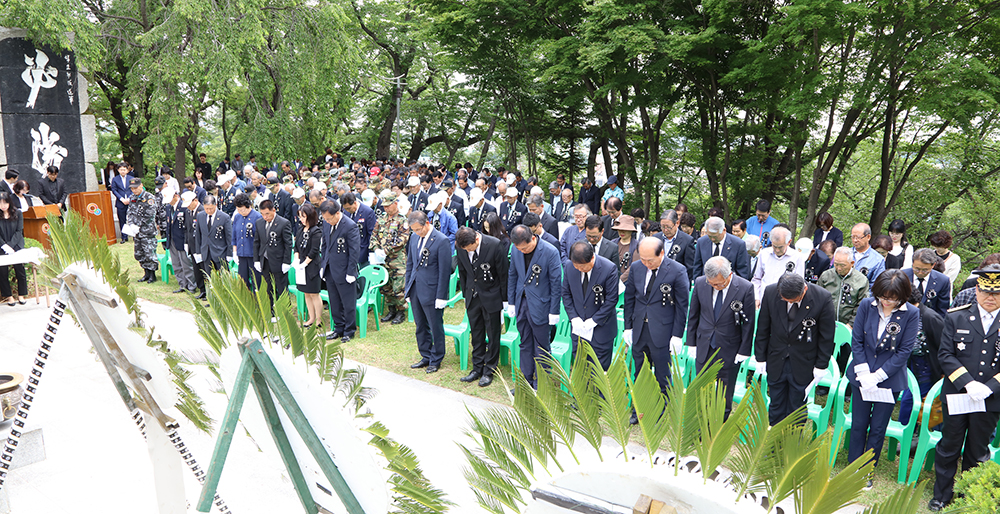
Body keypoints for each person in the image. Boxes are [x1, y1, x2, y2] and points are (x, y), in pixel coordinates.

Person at [928, 266, 1000, 511]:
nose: (990, 298)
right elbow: (946, 355)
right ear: (976, 290)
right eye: (986, 291)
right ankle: (942, 495)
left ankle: (967, 495)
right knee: (949, 446)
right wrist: (968, 383)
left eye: (997, 293)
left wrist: (989, 387)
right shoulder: (956, 316)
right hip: (958, 394)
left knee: (977, 451)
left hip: (990, 399)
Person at [844, 270, 917, 487]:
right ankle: (852, 467)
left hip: (889, 380)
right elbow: (857, 340)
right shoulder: (868, 305)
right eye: (883, 297)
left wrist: (878, 376)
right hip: (861, 375)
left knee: (877, 427)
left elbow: (904, 351)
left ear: (902, 296)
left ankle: (867, 471)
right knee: (859, 424)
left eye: (892, 299)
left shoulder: (910, 313)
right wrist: (864, 373)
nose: (886, 302)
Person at [754, 272, 835, 426]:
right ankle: (773, 442)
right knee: (776, 402)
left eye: (792, 300)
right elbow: (763, 327)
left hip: (804, 360)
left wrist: (821, 365)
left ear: (804, 290)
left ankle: (793, 443)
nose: (787, 302)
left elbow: (827, 336)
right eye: (785, 299)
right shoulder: (771, 292)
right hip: (776, 357)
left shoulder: (822, 298)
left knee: (797, 406)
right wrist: (760, 357)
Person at [686, 256, 756, 419]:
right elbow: (693, 315)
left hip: (729, 347)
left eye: (719, 284)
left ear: (729, 275)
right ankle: (699, 424)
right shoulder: (701, 283)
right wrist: (691, 343)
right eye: (712, 284)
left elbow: (748, 323)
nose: (715, 287)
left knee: (725, 391)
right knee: (701, 387)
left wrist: (744, 350)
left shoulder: (745, 288)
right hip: (704, 344)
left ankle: (719, 425)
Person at [623, 238, 690, 407]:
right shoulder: (637, 267)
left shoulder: (677, 270)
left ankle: (663, 409)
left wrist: (677, 335)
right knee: (639, 373)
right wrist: (627, 327)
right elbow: (629, 298)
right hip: (639, 329)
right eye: (643, 259)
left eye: (650, 260)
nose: (646, 264)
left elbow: (682, 306)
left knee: (662, 375)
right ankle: (639, 409)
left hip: (662, 331)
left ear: (661, 253)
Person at [506, 225, 562, 388]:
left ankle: (542, 384)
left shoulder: (550, 251)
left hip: (541, 305)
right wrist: (511, 302)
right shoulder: (516, 249)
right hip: (521, 303)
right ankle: (526, 382)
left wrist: (554, 311)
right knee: (524, 343)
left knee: (541, 346)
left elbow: (556, 283)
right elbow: (512, 275)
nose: (522, 251)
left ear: (533, 238)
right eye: (519, 248)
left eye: (525, 248)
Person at [455, 227, 508, 386]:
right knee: (476, 334)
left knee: (493, 334)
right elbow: (463, 272)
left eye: (470, 248)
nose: (467, 251)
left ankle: (489, 369)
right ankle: (477, 368)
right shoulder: (461, 246)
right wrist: (466, 295)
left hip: (491, 295)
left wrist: (504, 300)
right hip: (473, 296)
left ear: (476, 239)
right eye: (465, 249)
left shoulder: (494, 245)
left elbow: (503, 274)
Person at [405, 211, 453, 373]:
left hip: (432, 290)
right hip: (416, 288)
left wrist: (441, 296)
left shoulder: (441, 240)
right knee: (420, 325)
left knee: (435, 325)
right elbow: (410, 264)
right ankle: (425, 355)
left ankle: (436, 357)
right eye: (414, 230)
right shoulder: (413, 238)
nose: (417, 233)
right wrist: (408, 289)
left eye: (419, 229)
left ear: (427, 223)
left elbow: (444, 271)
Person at [562, 240, 619, 369]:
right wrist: (573, 317)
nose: (579, 269)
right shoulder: (569, 266)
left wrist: (594, 320)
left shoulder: (608, 268)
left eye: (583, 267)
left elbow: (611, 300)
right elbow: (566, 293)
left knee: (599, 370)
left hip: (601, 329)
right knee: (580, 366)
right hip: (579, 328)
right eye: (577, 267)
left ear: (592, 257)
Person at [897, 286, 944, 426]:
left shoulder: (930, 318)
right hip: (911, 364)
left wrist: (942, 373)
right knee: (908, 400)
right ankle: (907, 434)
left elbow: (944, 346)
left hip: (928, 366)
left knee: (913, 402)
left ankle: (911, 435)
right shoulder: (904, 314)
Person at [819, 247, 870, 372]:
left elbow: (862, 305)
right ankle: (825, 382)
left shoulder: (861, 280)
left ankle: (845, 382)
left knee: (846, 356)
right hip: (827, 324)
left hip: (849, 325)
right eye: (836, 264)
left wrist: (850, 324)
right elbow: (817, 298)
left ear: (852, 263)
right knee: (826, 355)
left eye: (842, 265)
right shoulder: (826, 276)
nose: (839, 268)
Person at [319, 199, 360, 342]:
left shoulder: (350, 226)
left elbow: (354, 252)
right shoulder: (326, 223)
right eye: (325, 218)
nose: (328, 221)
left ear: (338, 213)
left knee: (348, 303)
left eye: (330, 218)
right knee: (334, 301)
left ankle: (349, 330)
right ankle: (338, 328)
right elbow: (324, 245)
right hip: (330, 269)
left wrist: (350, 272)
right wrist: (323, 265)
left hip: (345, 270)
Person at [371, 191, 410, 325]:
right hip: (382, 260)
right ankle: (391, 309)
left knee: (398, 286)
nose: (386, 208)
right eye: (385, 206)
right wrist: (376, 248)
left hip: (397, 259)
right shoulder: (381, 219)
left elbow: (402, 239)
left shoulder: (402, 220)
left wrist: (386, 250)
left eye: (389, 205)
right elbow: (374, 236)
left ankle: (401, 312)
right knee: (386, 286)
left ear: (395, 203)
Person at [253, 200, 294, 317]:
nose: (265, 217)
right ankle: (270, 311)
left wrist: (286, 262)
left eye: (267, 214)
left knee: (281, 287)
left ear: (273, 210)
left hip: (278, 260)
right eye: (262, 214)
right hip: (264, 260)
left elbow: (288, 244)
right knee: (267, 287)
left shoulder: (283, 223)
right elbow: (257, 242)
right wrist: (256, 259)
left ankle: (285, 312)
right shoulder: (259, 222)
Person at [752, 226, 805, 306]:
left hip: (786, 302)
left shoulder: (797, 257)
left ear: (789, 242)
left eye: (780, 247)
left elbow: (799, 284)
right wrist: (756, 297)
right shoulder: (764, 253)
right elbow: (757, 278)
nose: (777, 250)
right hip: (764, 299)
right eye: (774, 246)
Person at [693, 216, 752, 280]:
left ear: (724, 230)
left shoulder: (738, 244)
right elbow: (697, 268)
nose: (712, 239)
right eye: (710, 236)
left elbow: (743, 272)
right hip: (706, 285)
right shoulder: (701, 242)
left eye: (715, 236)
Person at [124, 178, 160, 283]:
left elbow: (150, 213)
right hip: (136, 232)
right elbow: (130, 212)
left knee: (149, 253)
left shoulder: (149, 197)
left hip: (147, 231)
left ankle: (152, 275)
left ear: (141, 186)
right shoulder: (132, 197)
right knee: (139, 253)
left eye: (136, 188)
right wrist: (131, 224)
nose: (134, 190)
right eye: (132, 189)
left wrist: (139, 225)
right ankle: (146, 273)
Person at [295, 203, 324, 328]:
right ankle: (311, 318)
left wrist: (305, 263)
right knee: (306, 293)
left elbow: (314, 250)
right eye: (300, 217)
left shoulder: (315, 230)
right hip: (301, 264)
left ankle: (318, 319)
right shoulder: (301, 229)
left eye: (303, 216)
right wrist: (297, 260)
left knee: (314, 293)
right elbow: (296, 246)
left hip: (312, 266)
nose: (301, 219)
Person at [194, 196, 232, 286]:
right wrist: (198, 251)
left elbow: (229, 237)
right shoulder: (200, 216)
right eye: (207, 208)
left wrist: (229, 254)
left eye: (211, 208)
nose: (209, 211)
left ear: (216, 205)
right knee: (209, 276)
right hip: (206, 252)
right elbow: (198, 235)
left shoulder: (224, 217)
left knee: (224, 277)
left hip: (220, 252)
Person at [903, 248, 951, 318]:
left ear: (933, 265)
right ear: (912, 263)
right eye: (917, 269)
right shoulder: (902, 276)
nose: (920, 273)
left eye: (925, 270)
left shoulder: (942, 280)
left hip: (929, 321)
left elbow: (942, 310)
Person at [165, 191, 196, 293]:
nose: (169, 202)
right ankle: (182, 284)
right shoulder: (168, 207)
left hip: (182, 239)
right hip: (172, 238)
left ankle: (191, 286)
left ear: (175, 196)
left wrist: (187, 241)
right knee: (176, 263)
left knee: (186, 264)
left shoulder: (183, 206)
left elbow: (188, 226)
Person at [231, 193, 262, 291]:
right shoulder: (237, 217)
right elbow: (235, 235)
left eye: (242, 210)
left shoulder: (257, 217)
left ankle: (258, 302)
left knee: (256, 281)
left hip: (253, 254)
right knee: (243, 281)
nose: (240, 212)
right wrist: (235, 252)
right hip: (241, 254)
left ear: (248, 206)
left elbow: (260, 238)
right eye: (238, 210)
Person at [0, 193, 27, 305]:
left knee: (20, 270)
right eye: (0, 203)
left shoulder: (18, 213)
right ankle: (9, 296)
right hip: (1, 246)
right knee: (2, 272)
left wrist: (11, 246)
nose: (3, 205)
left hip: (16, 245)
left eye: (5, 202)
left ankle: (21, 295)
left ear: (9, 202)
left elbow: (19, 231)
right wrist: (4, 246)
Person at [657, 209, 697, 280]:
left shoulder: (687, 240)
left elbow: (690, 268)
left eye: (669, 227)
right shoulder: (656, 238)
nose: (665, 230)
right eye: (663, 227)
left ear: (677, 223)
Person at [341, 192, 376, 267]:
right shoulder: (346, 212)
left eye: (349, 208)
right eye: (345, 208)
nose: (347, 210)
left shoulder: (367, 212)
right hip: (349, 251)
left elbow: (371, 234)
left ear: (354, 203)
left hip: (363, 251)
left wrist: (371, 253)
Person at [850, 223, 887, 288]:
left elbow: (877, 285)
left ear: (868, 237)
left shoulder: (878, 259)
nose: (855, 240)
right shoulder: (845, 253)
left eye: (858, 237)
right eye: (853, 237)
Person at [610, 214, 641, 282]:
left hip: (629, 281)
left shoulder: (637, 245)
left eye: (625, 229)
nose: (622, 232)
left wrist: (620, 280)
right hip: (611, 278)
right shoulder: (612, 243)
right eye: (620, 229)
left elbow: (634, 266)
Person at [110, 163, 134, 243]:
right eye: (121, 170)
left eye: (124, 169)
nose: (123, 171)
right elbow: (114, 190)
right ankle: (124, 236)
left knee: (133, 219)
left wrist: (130, 198)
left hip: (131, 201)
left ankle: (134, 235)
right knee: (122, 219)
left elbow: (133, 189)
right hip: (121, 202)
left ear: (127, 170)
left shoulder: (131, 178)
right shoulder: (115, 179)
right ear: (118, 170)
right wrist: (121, 199)